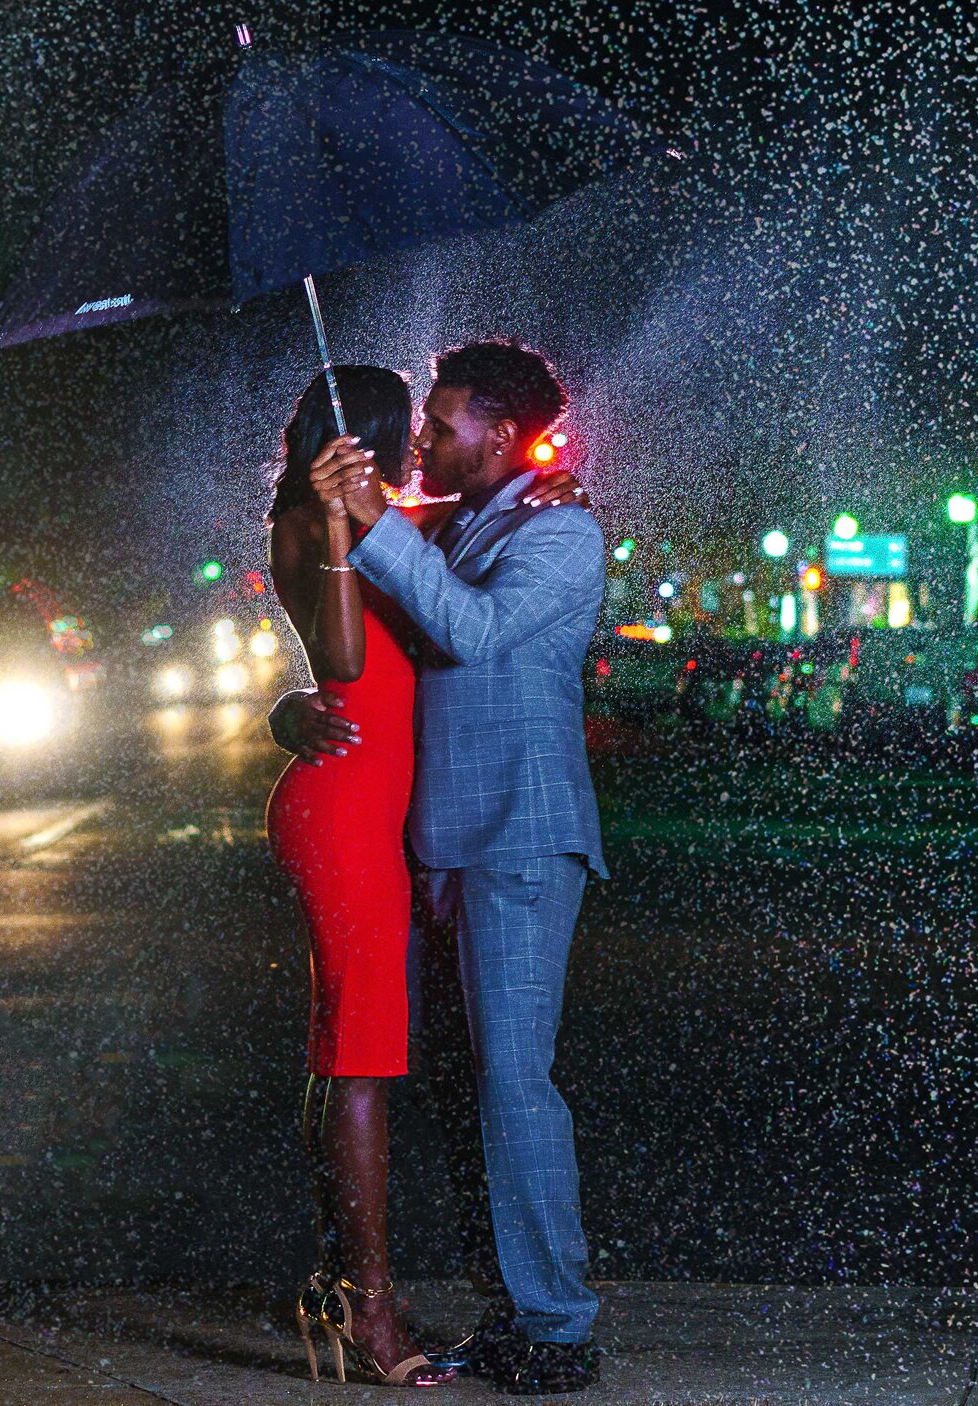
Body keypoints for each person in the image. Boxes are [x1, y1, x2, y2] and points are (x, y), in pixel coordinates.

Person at [277, 339, 609, 1396]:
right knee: (480, 1088)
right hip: (446, 839)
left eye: (441, 423)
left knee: (515, 1084)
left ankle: (556, 1326)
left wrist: (372, 512)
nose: (420, 437)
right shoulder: (463, 524)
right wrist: (286, 707)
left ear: (497, 433)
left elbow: (467, 631)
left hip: (517, 834)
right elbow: (369, 653)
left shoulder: (562, 533)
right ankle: (518, 1309)